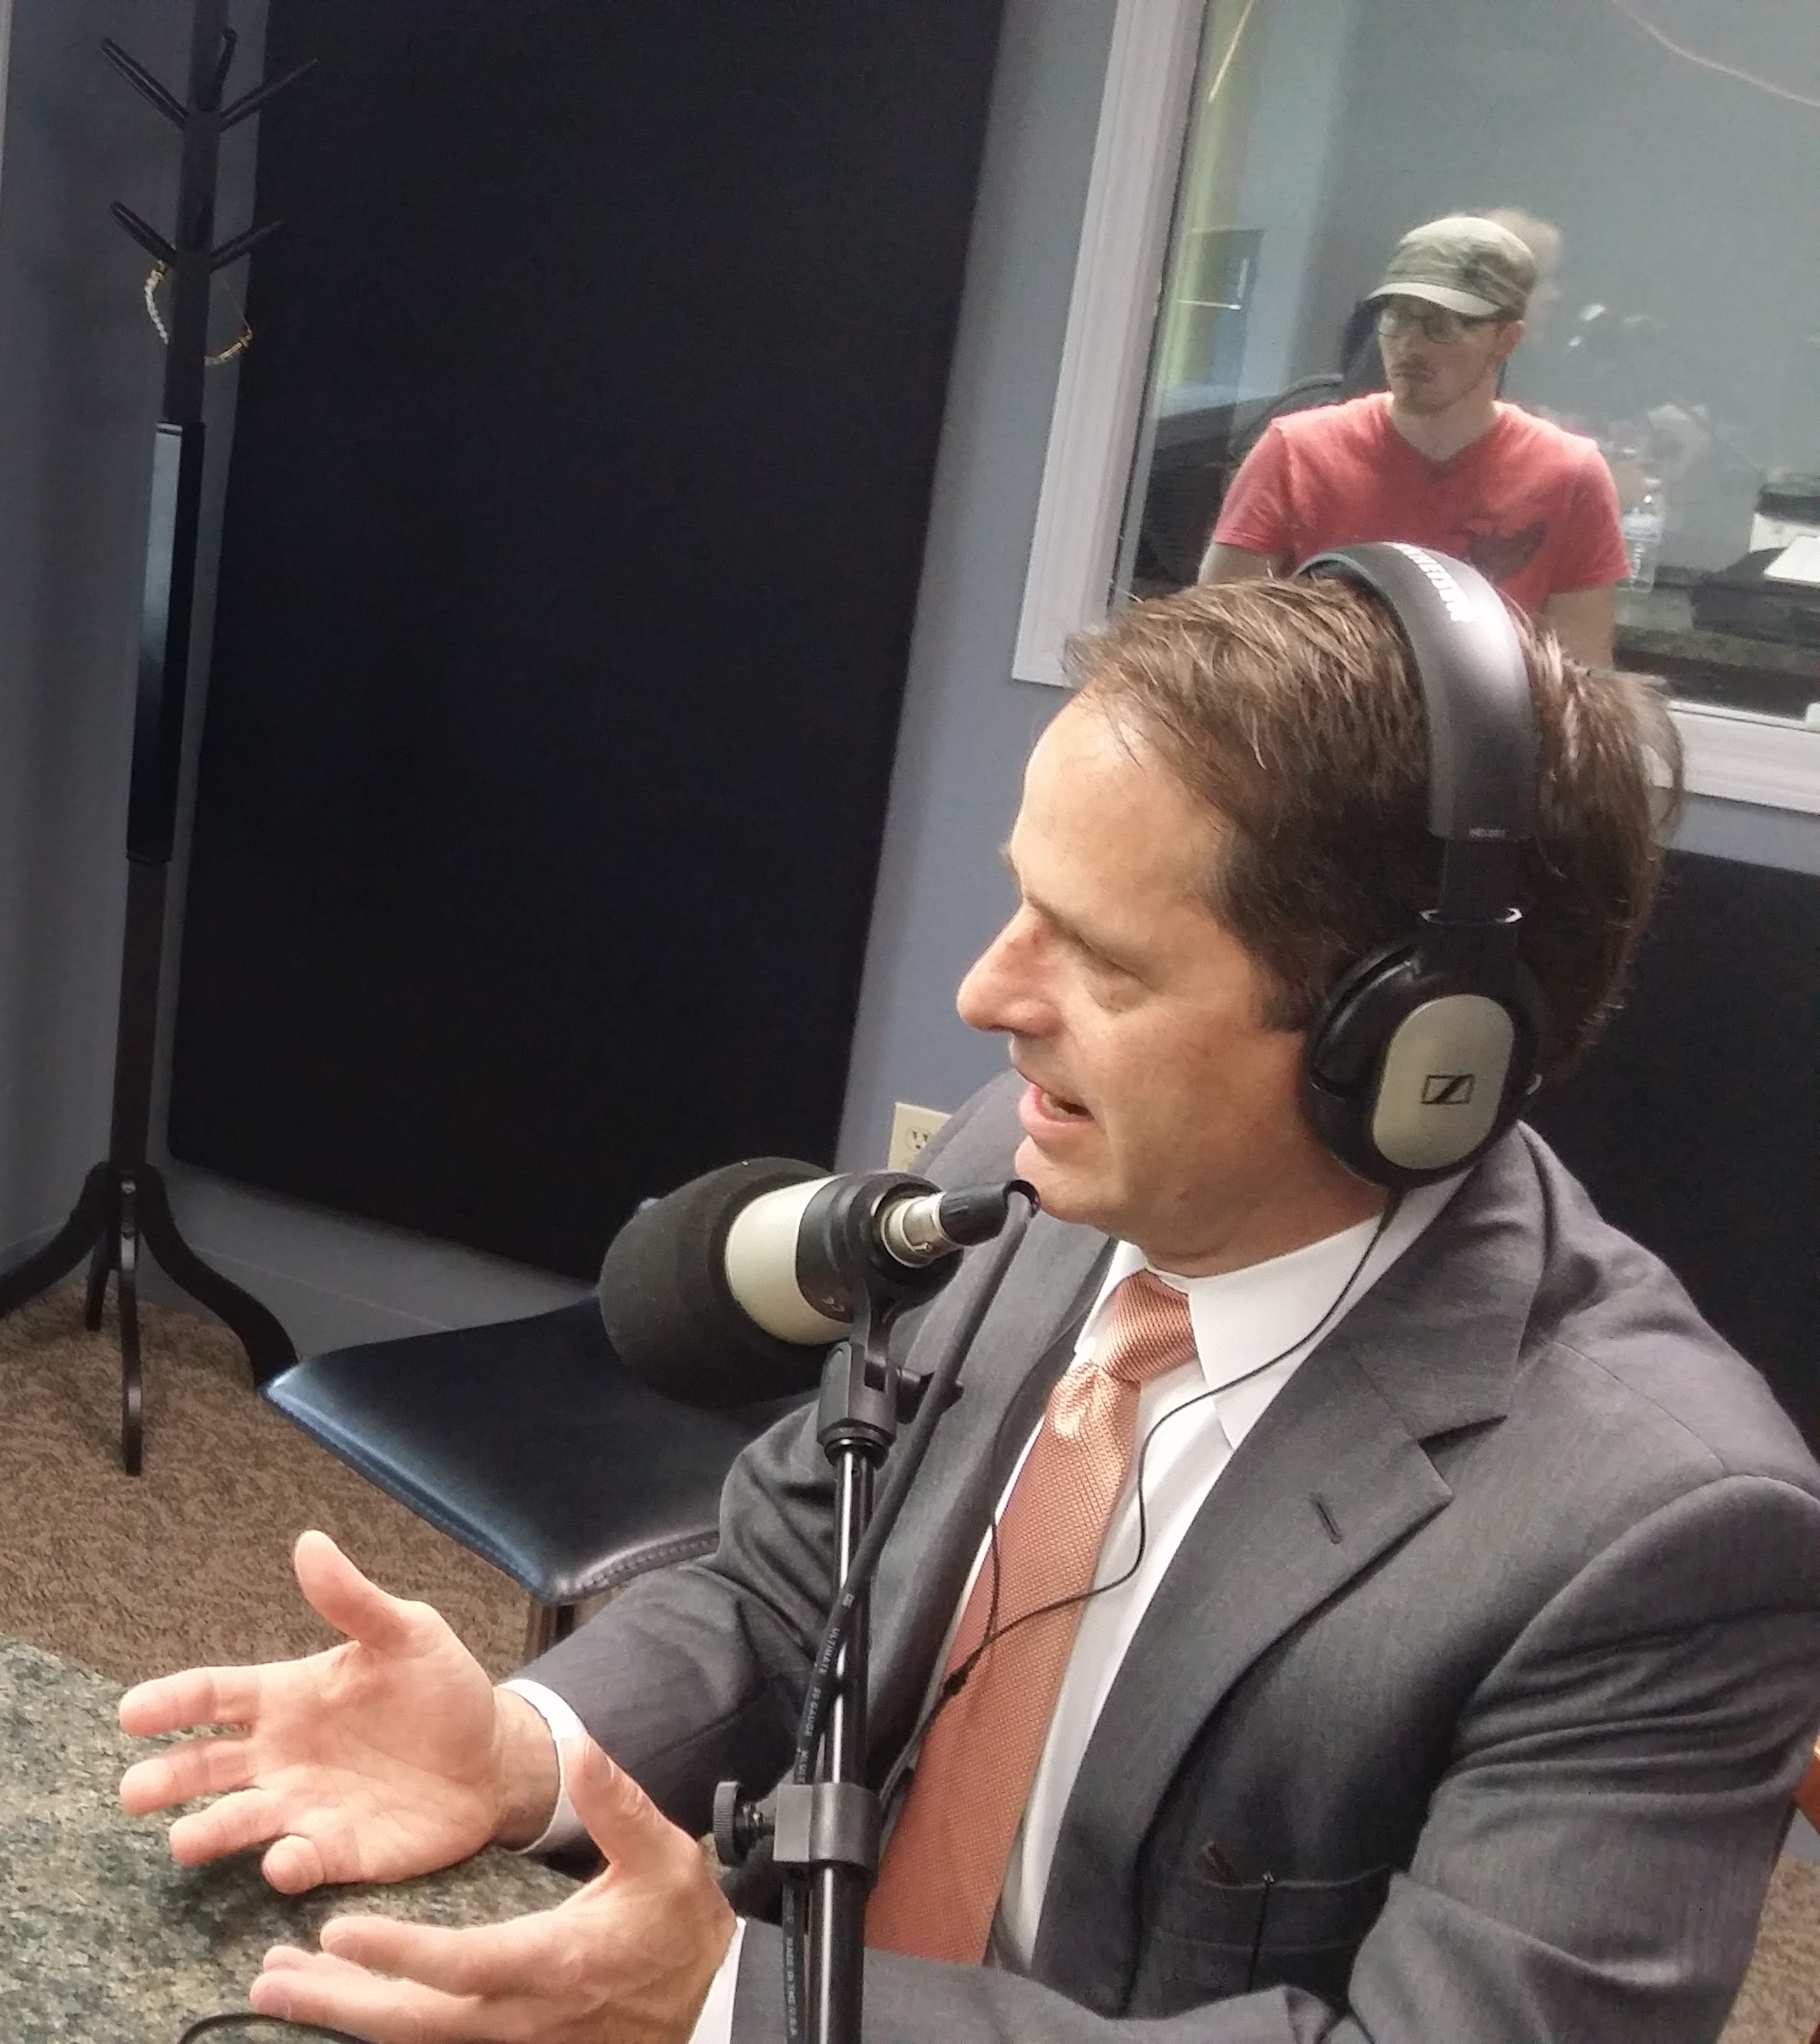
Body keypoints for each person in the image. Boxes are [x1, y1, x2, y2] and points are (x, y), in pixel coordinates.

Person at [118, 570, 1820, 2039]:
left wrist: (735, 2008)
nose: (983, 993)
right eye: (1020, 901)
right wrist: (525, 1744)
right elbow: (796, 1587)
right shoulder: (1040, 1160)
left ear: (1410, 1058)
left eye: (1102, 959)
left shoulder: (1661, 1532)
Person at [1203, 216, 1626, 667]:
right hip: (1318, 709)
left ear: (1506, 339)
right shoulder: (1294, 452)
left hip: (1490, 712)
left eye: (1441, 326)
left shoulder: (1569, 476)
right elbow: (1217, 647)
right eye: (1396, 317)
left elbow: (1583, 676)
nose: (1409, 345)